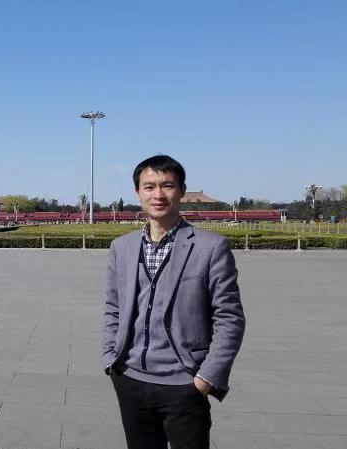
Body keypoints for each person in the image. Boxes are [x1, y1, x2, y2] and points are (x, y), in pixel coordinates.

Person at [102, 155, 245, 449]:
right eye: (149, 186)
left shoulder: (210, 247)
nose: (158, 194)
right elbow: (113, 308)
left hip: (184, 384)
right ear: (137, 192)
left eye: (167, 185)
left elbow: (229, 317)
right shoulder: (122, 247)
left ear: (181, 191)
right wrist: (110, 357)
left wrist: (206, 377)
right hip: (130, 380)